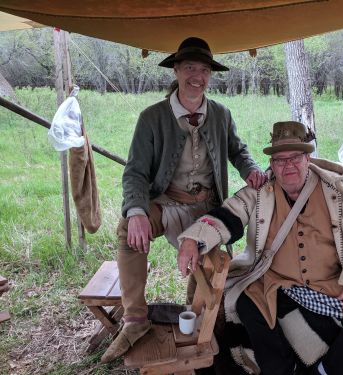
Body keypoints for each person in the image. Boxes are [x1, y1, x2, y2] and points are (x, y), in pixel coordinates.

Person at [177, 121, 343, 375]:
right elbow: (227, 216)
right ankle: (281, 368)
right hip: (274, 281)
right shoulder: (260, 192)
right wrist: (193, 239)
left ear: (308, 158)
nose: (288, 165)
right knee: (246, 301)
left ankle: (324, 371)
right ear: (271, 164)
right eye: (280, 160)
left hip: (330, 282)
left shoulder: (336, 190)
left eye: (295, 158)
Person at [101, 37, 266, 363]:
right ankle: (135, 319)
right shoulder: (152, 117)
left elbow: (238, 150)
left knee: (208, 264)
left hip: (206, 206)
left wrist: (251, 169)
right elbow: (135, 172)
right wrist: (136, 211)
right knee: (127, 230)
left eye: (204, 69)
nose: (197, 76)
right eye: (190, 67)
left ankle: (198, 325)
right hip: (165, 202)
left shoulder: (221, 114)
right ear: (176, 70)